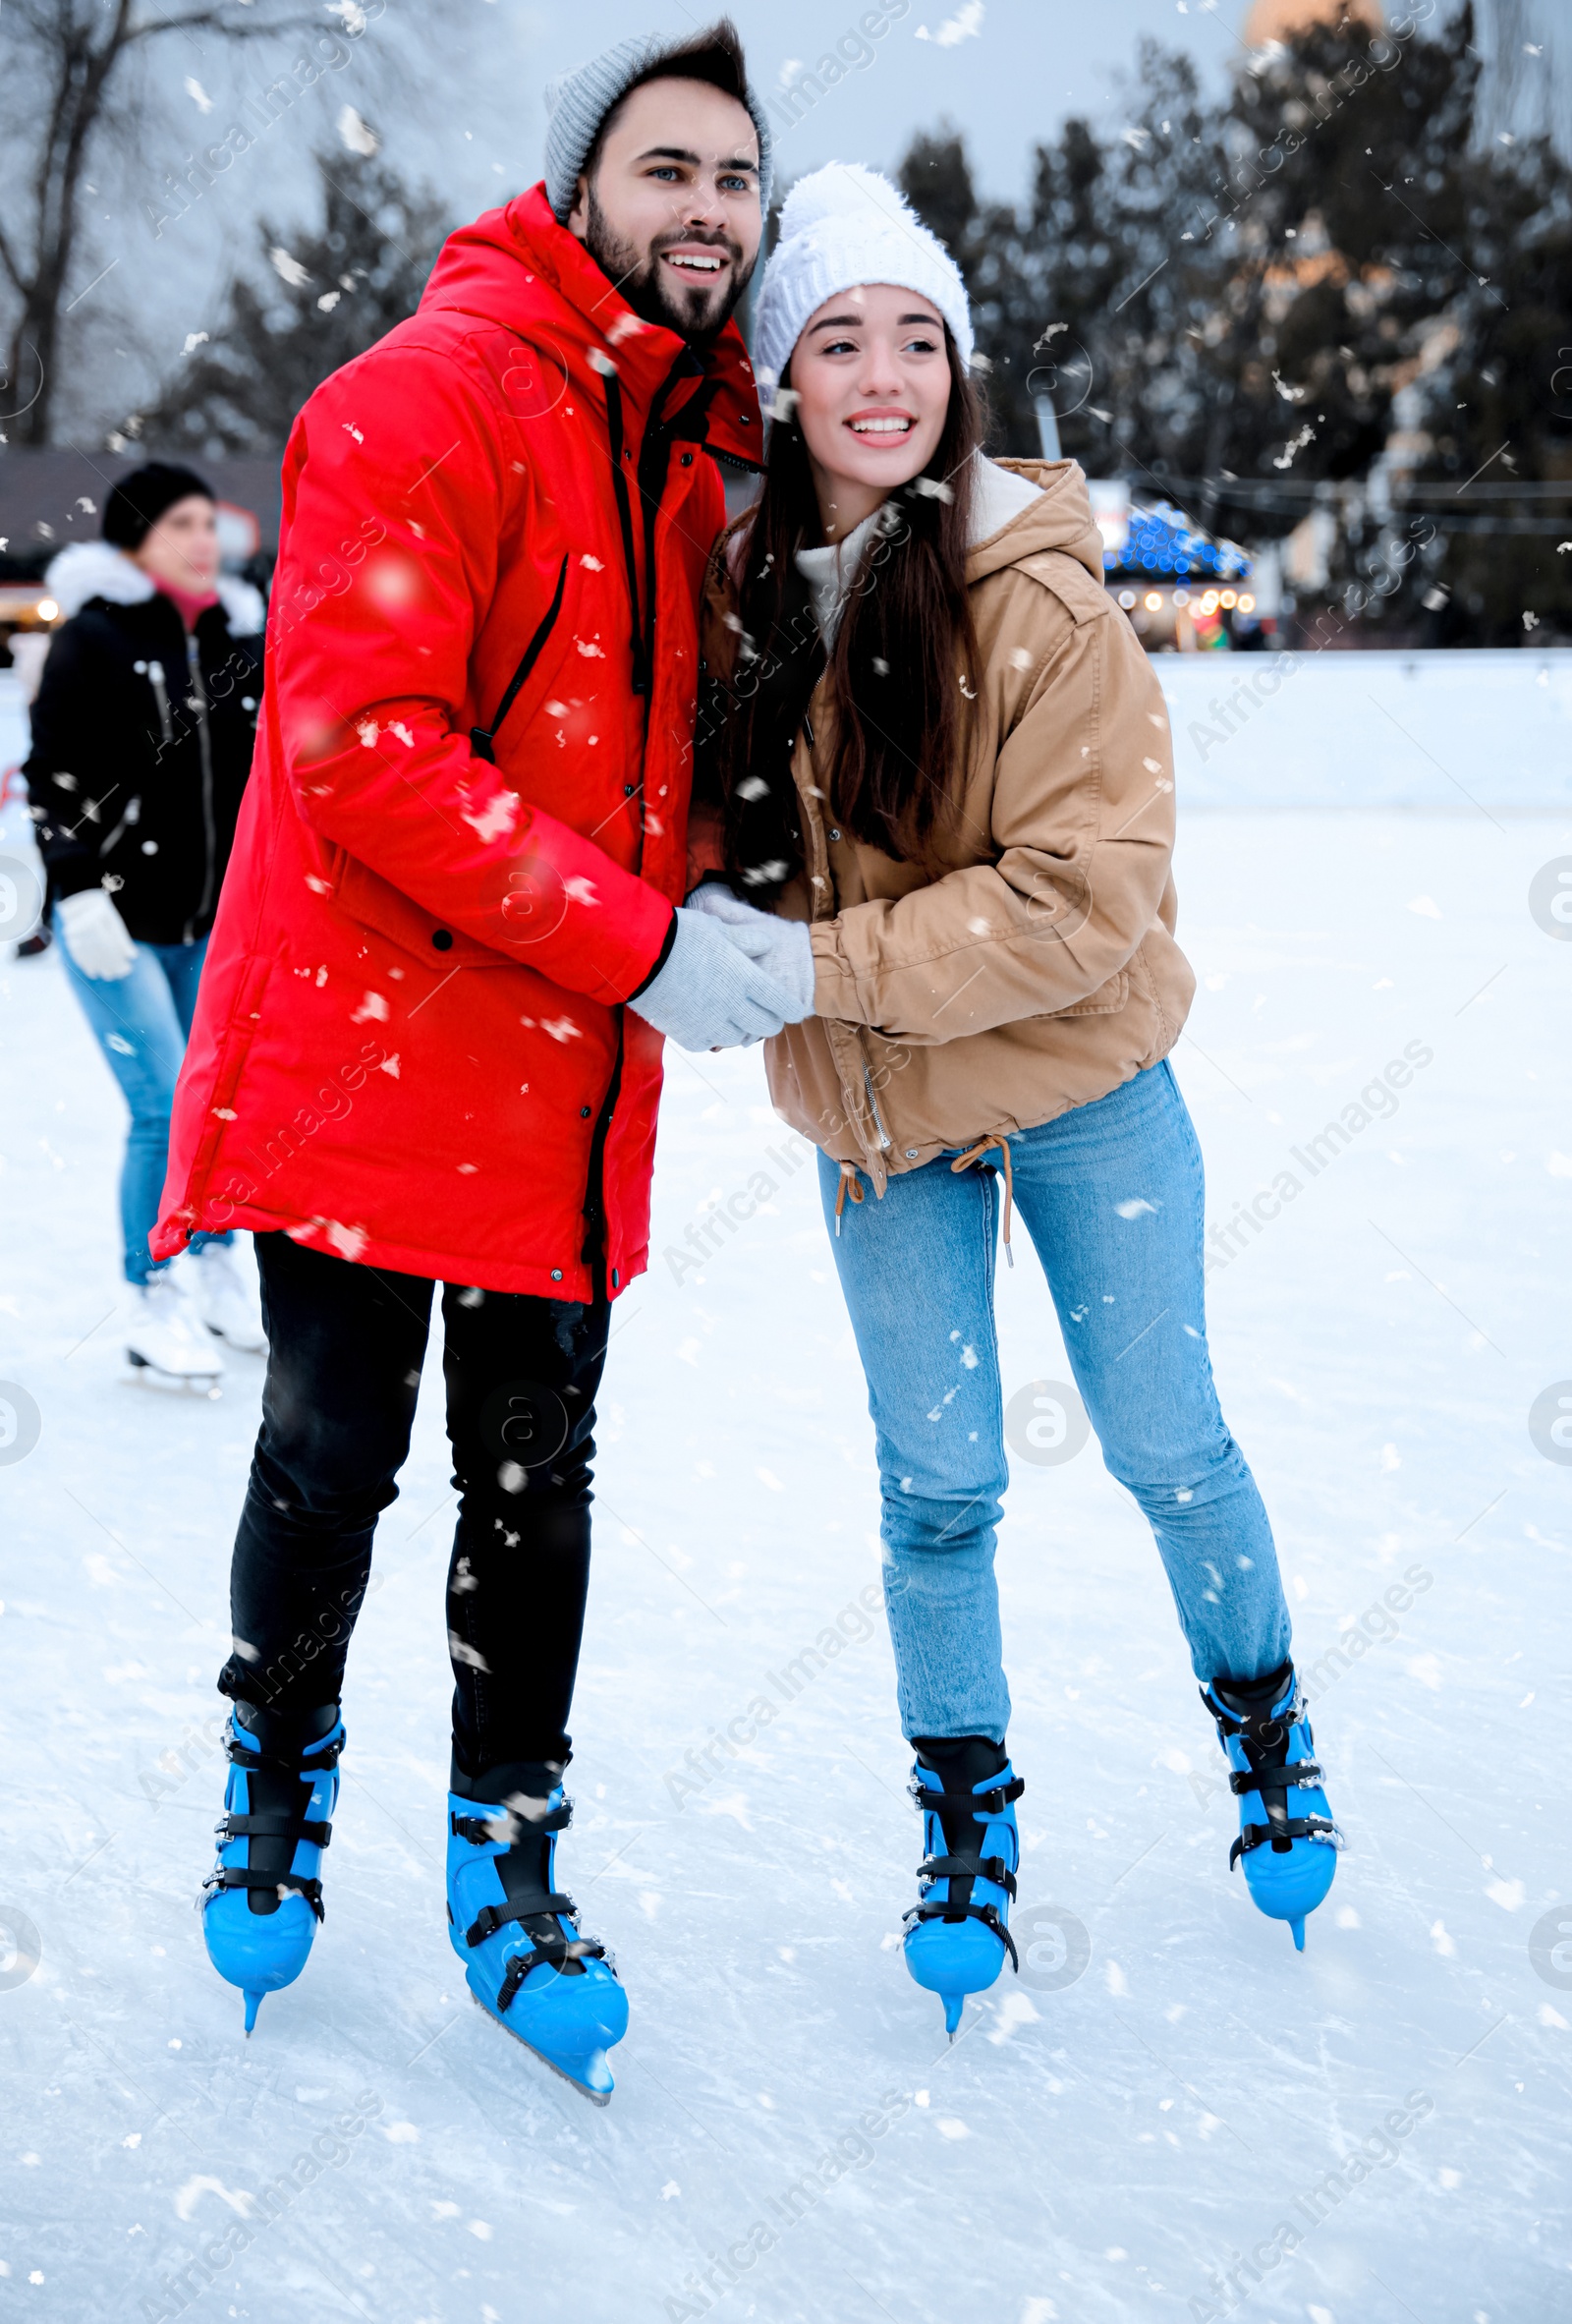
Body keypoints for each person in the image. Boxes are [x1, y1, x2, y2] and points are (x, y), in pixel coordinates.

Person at [151, 24, 806, 2094]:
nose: (702, 206)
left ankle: (507, 1850)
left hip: (555, 1070)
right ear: (577, 186)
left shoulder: (717, 448)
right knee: (333, 1455)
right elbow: (364, 753)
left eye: (733, 176)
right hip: (368, 1038)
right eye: (663, 166)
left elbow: (681, 740)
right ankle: (277, 1766)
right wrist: (638, 941)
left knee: (532, 1483)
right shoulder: (418, 395)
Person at [691, 164, 1342, 2037]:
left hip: (1082, 1091)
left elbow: (1087, 900)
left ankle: (1266, 1727)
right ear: (783, 378)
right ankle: (964, 1819)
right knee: (940, 1490)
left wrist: (818, 970)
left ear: (958, 371)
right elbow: (729, 857)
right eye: (839, 337)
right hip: (883, 1131)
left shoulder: (1037, 589)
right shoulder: (744, 602)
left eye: (917, 337)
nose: (882, 374)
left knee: (1168, 1443)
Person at [26, 466, 268, 1382]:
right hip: (116, 922)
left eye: (209, 522)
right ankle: (151, 1291)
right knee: (165, 1109)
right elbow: (55, 780)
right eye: (180, 523)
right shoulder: (96, 638)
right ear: (136, 537)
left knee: (225, 1111)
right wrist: (77, 890)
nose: (203, 539)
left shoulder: (241, 635)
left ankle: (215, 1271)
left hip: (218, 923)